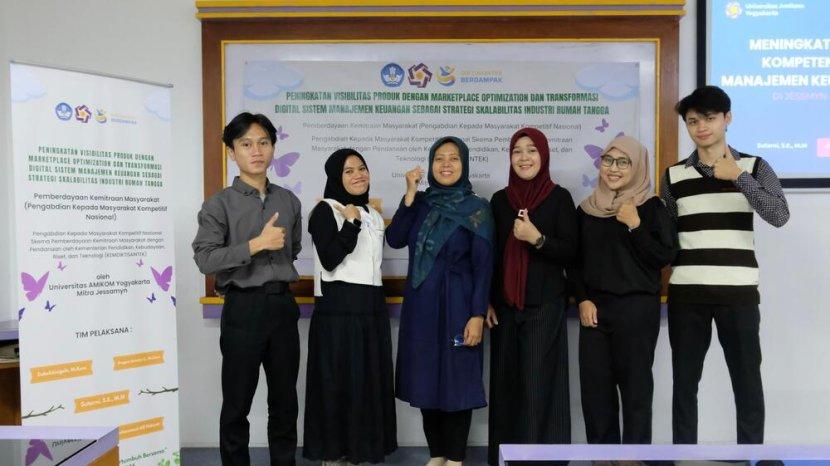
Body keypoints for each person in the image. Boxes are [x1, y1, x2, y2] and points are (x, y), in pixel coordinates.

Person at [661, 86, 790, 444]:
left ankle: (751, 455)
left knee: (747, 381)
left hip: (738, 293)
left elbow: (779, 215)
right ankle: (683, 457)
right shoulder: (673, 176)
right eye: (693, 121)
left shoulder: (754, 167)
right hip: (687, 294)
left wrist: (737, 177)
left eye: (710, 118)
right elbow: (667, 237)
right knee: (684, 383)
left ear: (727, 118)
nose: (701, 127)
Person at [192, 112, 302, 466]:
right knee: (237, 403)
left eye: (263, 142)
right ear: (231, 152)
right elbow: (205, 259)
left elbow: (293, 249)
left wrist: (270, 253)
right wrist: (256, 245)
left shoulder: (289, 201)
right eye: (246, 144)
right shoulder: (219, 204)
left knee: (285, 401)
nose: (256, 151)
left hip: (282, 306)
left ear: (273, 148)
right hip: (243, 308)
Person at [386, 136, 494, 466]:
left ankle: (456, 457)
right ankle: (437, 453)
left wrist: (477, 314)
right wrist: (408, 195)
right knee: (425, 377)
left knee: (458, 378)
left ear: (464, 164)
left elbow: (483, 267)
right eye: (439, 158)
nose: (446, 164)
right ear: (431, 164)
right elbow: (395, 238)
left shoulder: (477, 209)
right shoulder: (420, 203)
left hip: (460, 304)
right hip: (421, 306)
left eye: (454, 158)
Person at [570, 135, 676, 444]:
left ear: (637, 166)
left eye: (623, 162)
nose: (613, 168)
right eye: (608, 160)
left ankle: (634, 458)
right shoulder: (586, 209)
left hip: (637, 310)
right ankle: (603, 459)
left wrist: (635, 225)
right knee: (596, 391)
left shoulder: (651, 207)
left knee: (636, 389)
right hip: (594, 312)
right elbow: (573, 262)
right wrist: (583, 299)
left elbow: (664, 256)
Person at [486, 127, 577, 465]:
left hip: (544, 306)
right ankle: (506, 459)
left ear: (544, 155)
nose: (524, 157)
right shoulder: (500, 201)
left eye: (531, 150)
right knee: (506, 386)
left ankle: (540, 460)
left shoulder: (559, 197)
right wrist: (487, 300)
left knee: (539, 387)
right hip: (505, 308)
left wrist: (537, 239)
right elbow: (491, 256)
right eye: (517, 151)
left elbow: (571, 252)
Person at [302, 149, 397, 465]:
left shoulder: (372, 214)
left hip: (371, 310)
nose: (358, 175)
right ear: (335, 177)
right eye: (349, 170)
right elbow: (330, 259)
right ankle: (334, 455)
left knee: (366, 385)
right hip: (338, 312)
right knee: (338, 385)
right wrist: (351, 224)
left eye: (362, 168)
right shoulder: (325, 210)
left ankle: (359, 452)